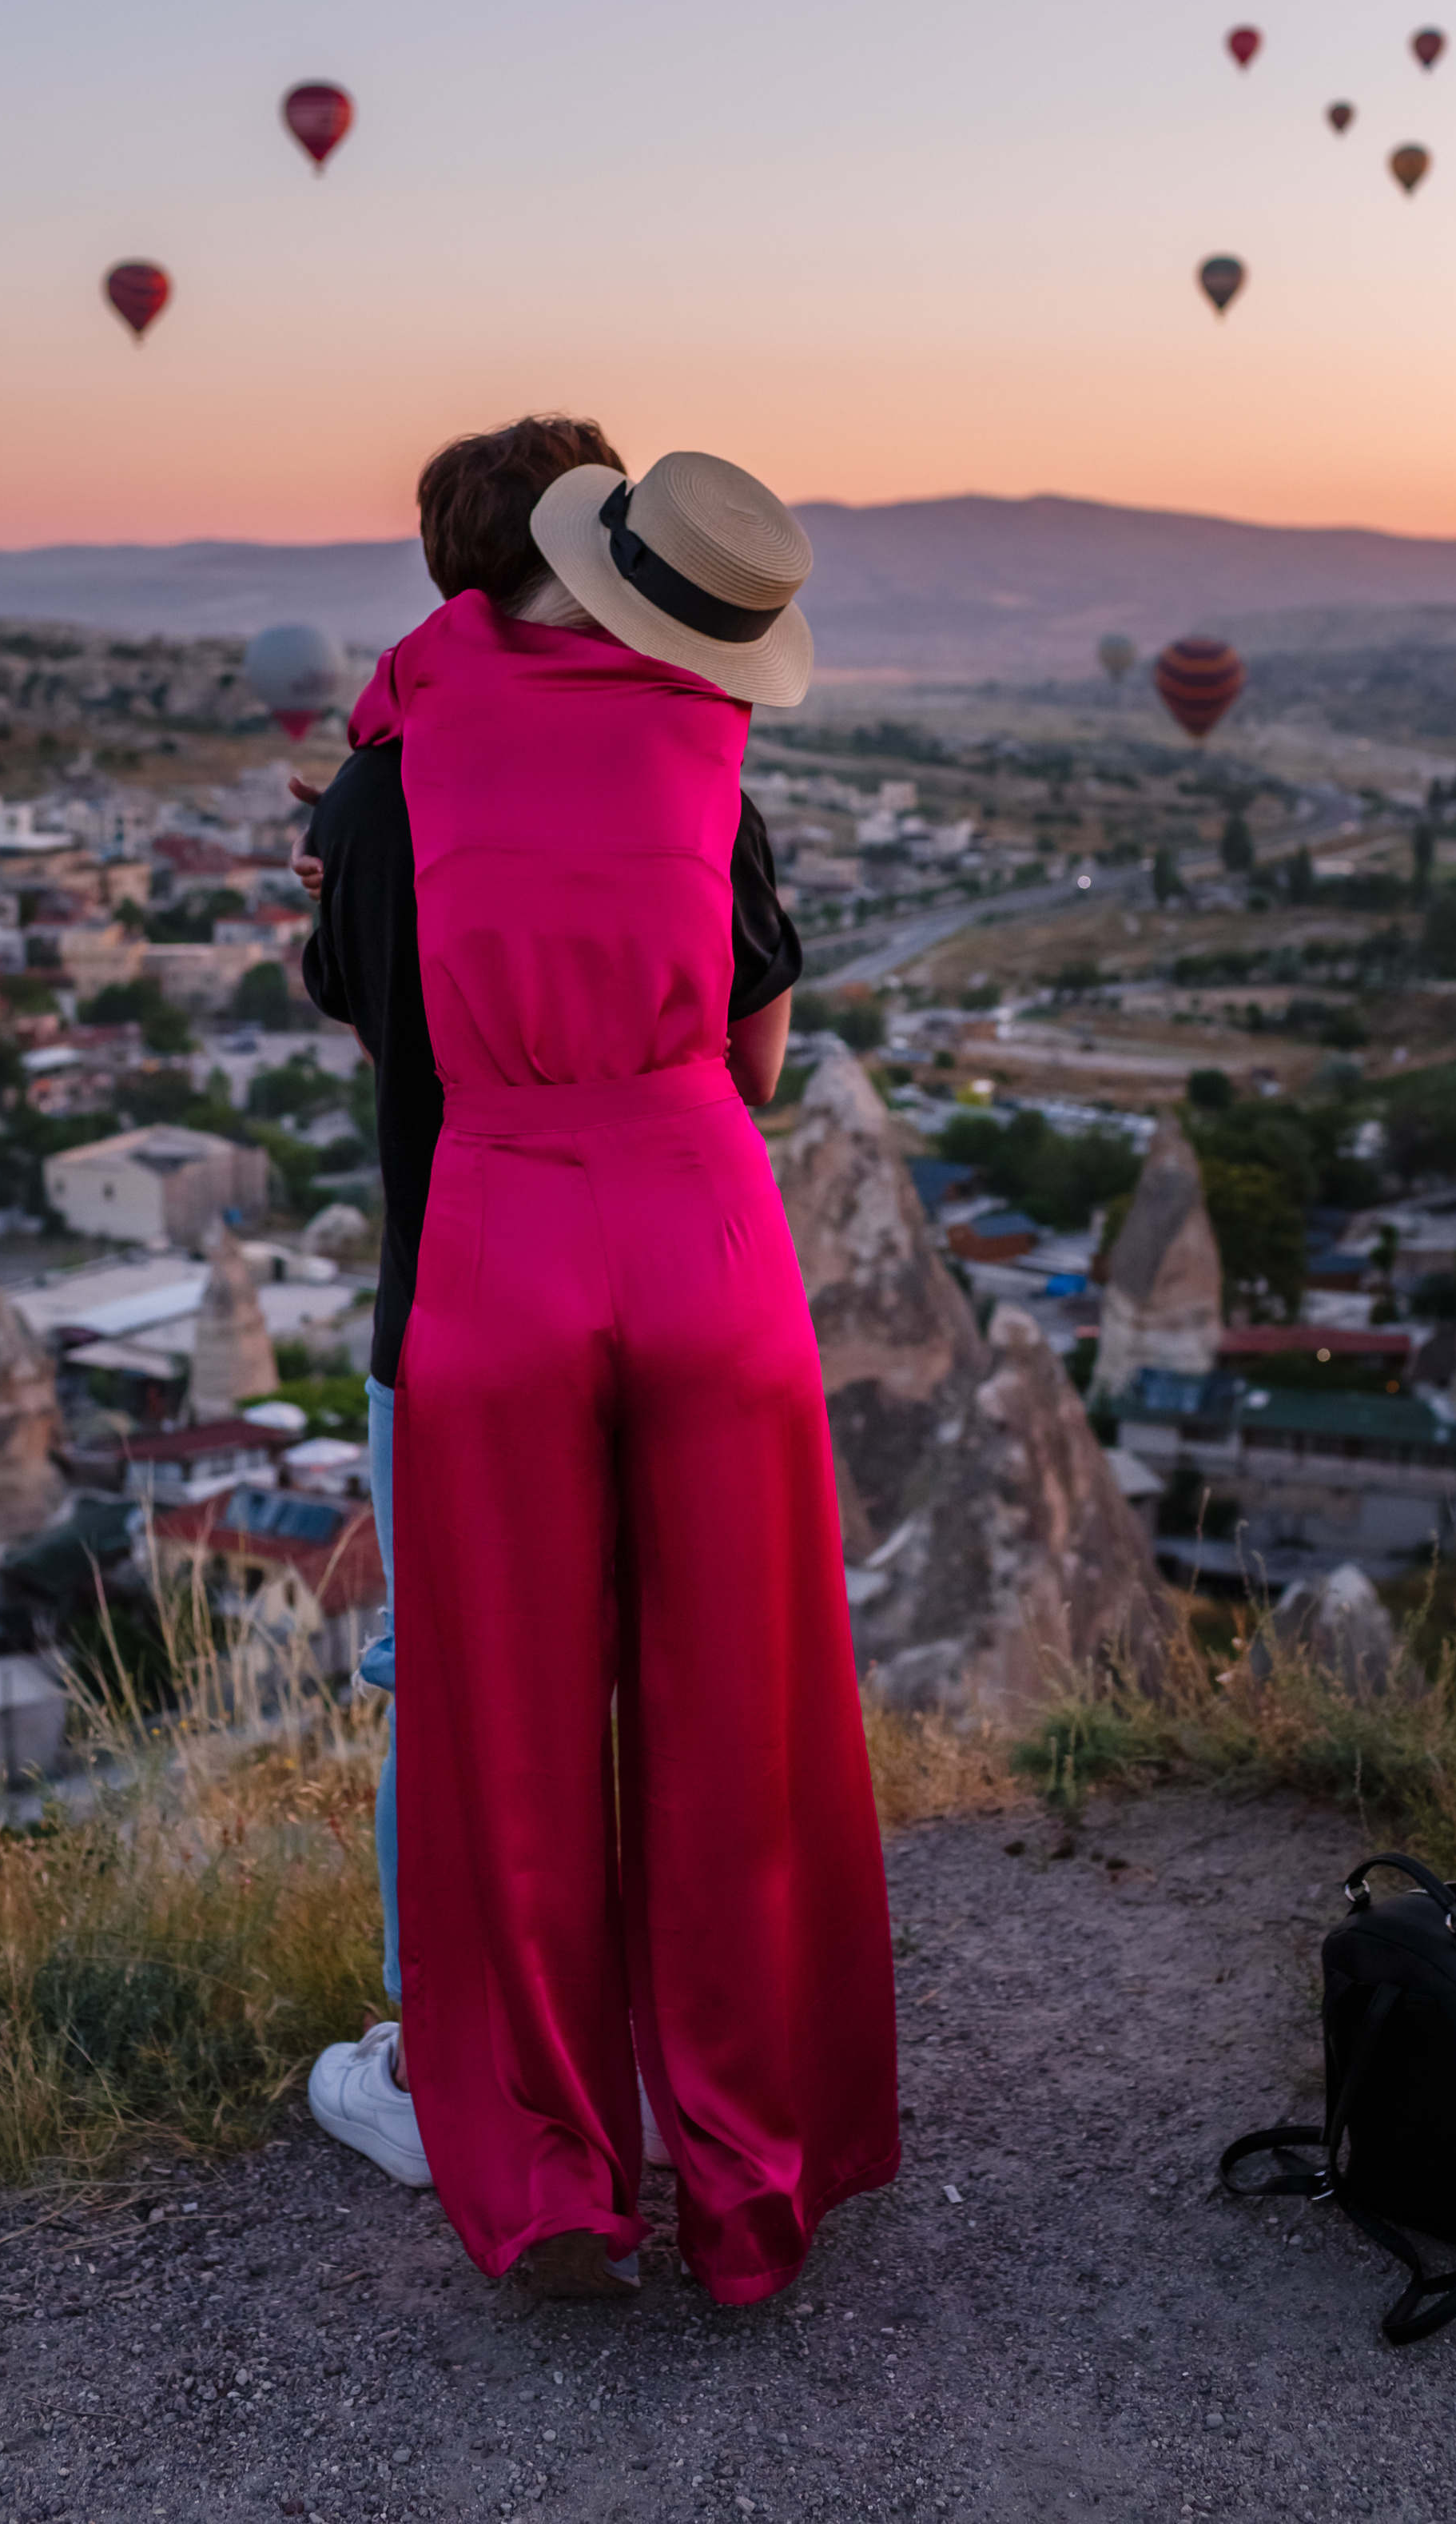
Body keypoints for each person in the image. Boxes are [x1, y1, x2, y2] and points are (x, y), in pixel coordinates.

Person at [308, 442, 899, 2306]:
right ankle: (747, 2180)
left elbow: (368, 1010)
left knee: (503, 1730)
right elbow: (757, 1056)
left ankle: (550, 2170)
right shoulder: (712, 760)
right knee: (738, 1714)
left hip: (488, 1233)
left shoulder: (403, 750)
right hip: (703, 1222)